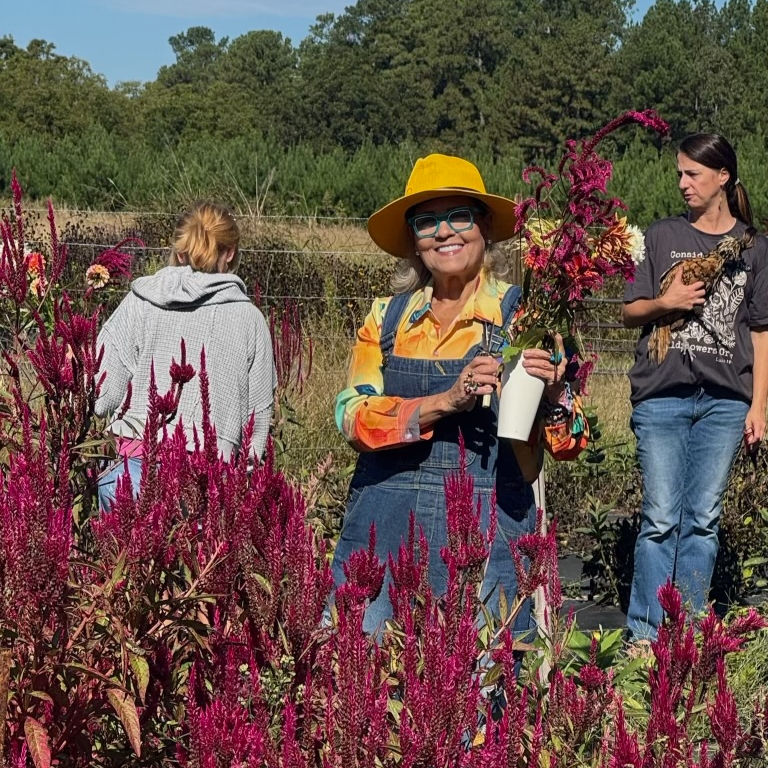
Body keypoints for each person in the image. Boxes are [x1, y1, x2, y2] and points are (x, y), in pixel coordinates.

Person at [332, 153, 588, 633]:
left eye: (458, 216)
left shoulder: (525, 316)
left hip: (487, 536)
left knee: (479, 685)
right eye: (427, 222)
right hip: (385, 528)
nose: (443, 232)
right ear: (413, 240)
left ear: (485, 226)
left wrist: (556, 396)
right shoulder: (386, 319)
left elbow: (573, 442)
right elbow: (351, 415)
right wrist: (445, 402)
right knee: (362, 674)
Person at [623, 134, 768, 641]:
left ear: (723, 177)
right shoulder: (661, 236)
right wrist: (669, 302)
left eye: (693, 174)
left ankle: (683, 637)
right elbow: (630, 311)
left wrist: (759, 406)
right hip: (662, 395)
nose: (683, 183)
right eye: (680, 174)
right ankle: (644, 638)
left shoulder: (755, 247)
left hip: (726, 402)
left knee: (702, 519)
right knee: (660, 516)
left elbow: (760, 330)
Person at [95, 202, 276, 509]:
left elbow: (102, 394)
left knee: (121, 557)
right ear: (230, 252)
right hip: (206, 482)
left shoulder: (139, 301)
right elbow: (257, 426)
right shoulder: (250, 320)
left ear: (179, 250)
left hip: (131, 474)